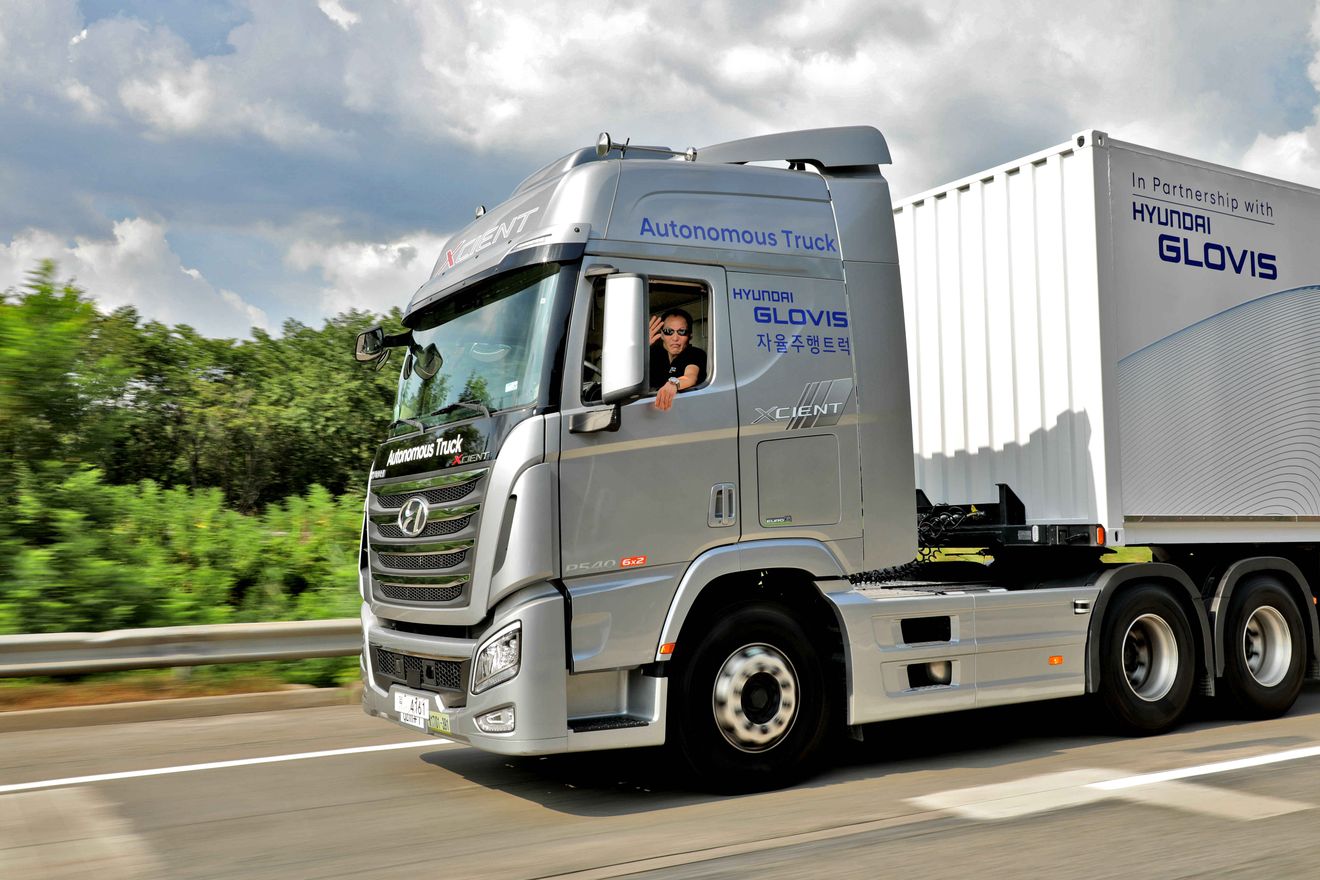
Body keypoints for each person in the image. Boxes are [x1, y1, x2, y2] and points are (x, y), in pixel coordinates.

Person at [648, 308, 706, 411]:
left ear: (690, 335)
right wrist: (641, 349)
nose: (675, 338)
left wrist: (674, 383)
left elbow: (690, 377)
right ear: (661, 334)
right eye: (668, 331)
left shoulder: (695, 354)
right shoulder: (654, 354)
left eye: (681, 332)